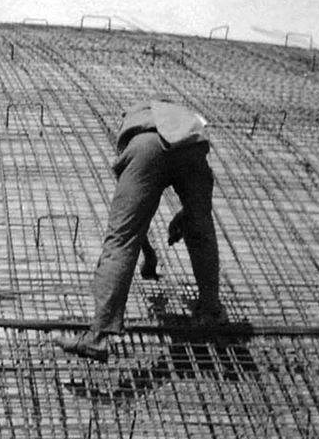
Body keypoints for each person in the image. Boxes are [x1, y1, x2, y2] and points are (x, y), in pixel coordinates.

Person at [59, 99, 222, 362]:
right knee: (202, 230)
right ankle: (210, 311)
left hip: (146, 149)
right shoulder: (182, 117)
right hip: (193, 148)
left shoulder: (134, 126)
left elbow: (130, 227)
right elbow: (200, 208)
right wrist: (185, 219)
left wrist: (145, 251)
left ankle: (98, 336)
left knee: (119, 241)